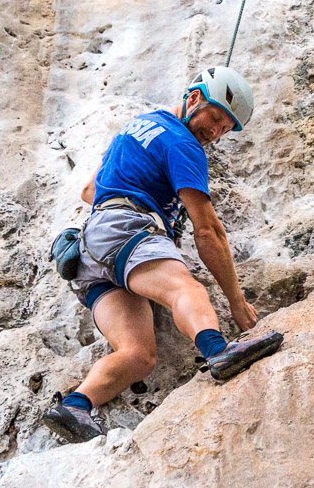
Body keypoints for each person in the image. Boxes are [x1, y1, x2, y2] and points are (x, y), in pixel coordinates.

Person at [43, 67, 283, 444]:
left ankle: (74, 405)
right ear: (193, 98)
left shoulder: (137, 125)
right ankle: (218, 352)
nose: (216, 132)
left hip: (92, 249)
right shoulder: (183, 144)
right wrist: (237, 303)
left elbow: (90, 190)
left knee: (138, 355)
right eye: (216, 118)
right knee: (185, 290)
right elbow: (209, 233)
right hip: (128, 232)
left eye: (226, 128)